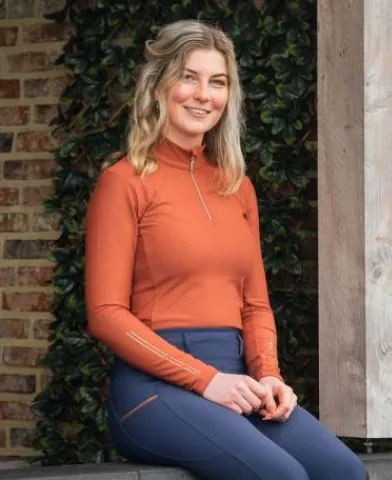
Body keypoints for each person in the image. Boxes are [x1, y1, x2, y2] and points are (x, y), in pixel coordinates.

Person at [84, 19, 368, 480]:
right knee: (283, 477)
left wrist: (269, 375)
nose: (203, 95)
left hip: (237, 382)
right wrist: (206, 379)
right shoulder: (123, 183)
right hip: (152, 391)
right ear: (157, 87)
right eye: (188, 77)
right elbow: (106, 314)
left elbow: (254, 305)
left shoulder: (237, 187)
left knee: (344, 473)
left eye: (217, 82)